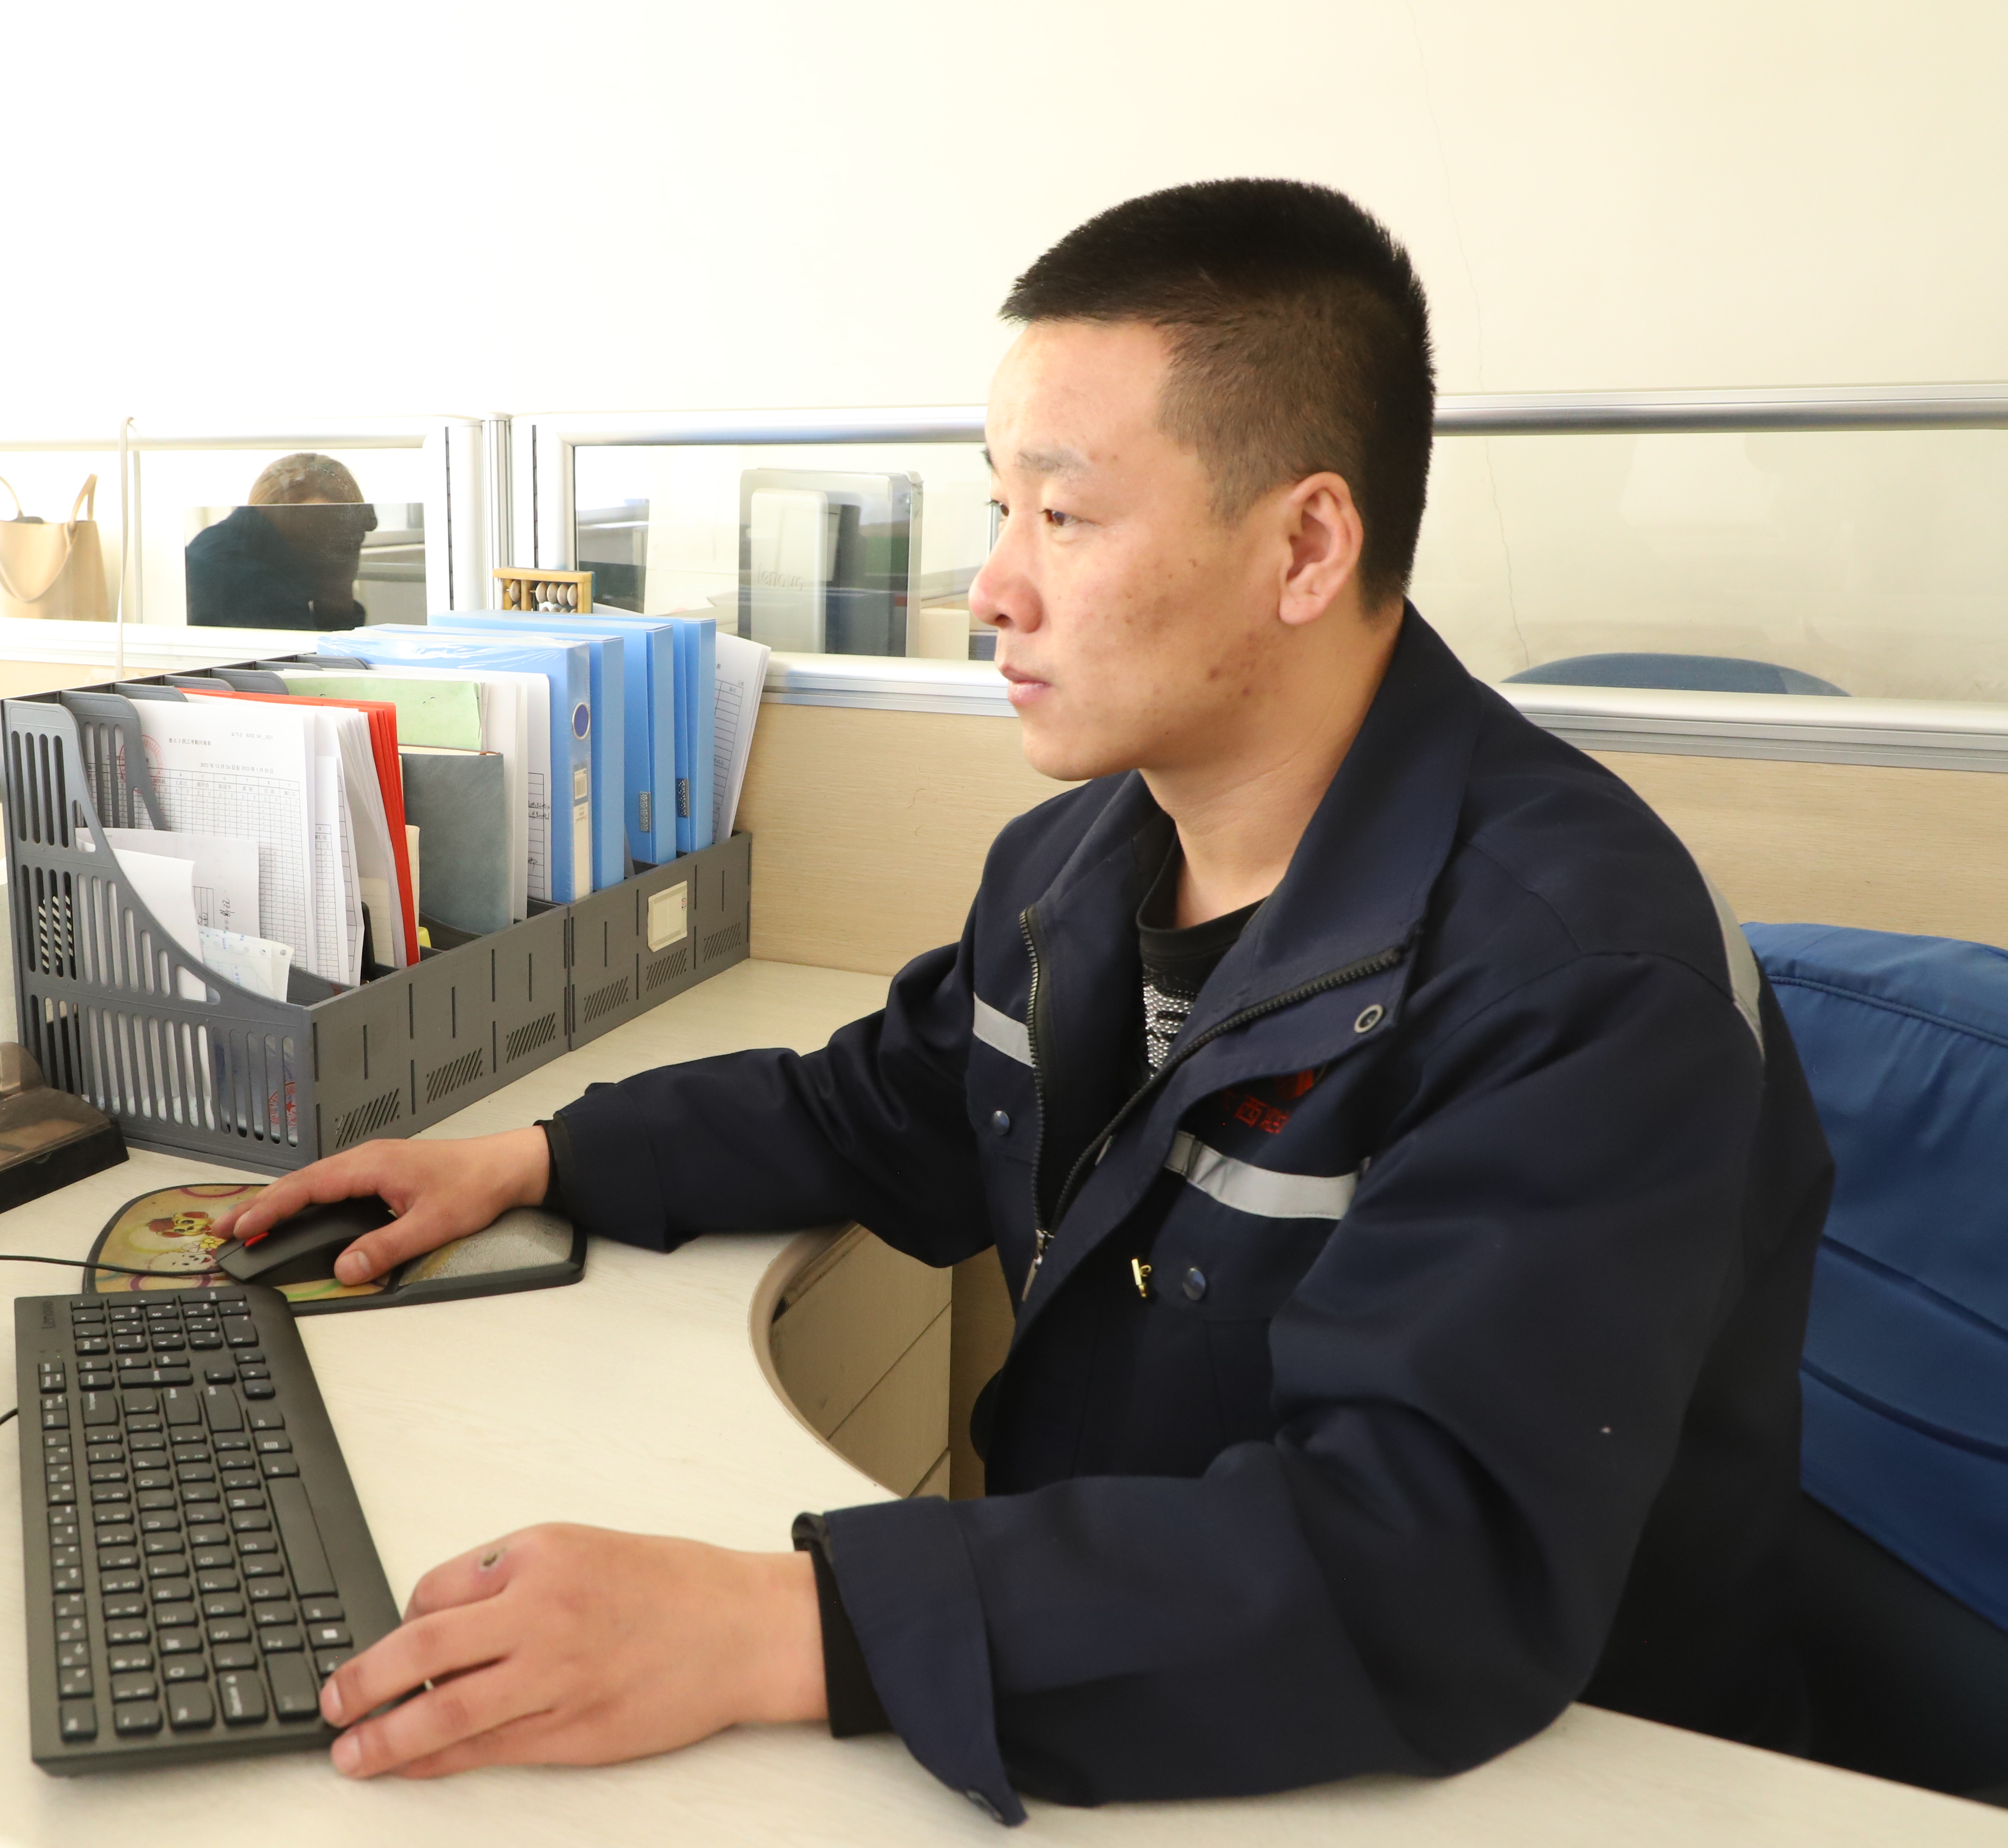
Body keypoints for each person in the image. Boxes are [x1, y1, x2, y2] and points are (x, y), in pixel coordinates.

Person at [228, 179, 1831, 1819]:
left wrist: (773, 1625)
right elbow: (887, 1109)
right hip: (1127, 1671)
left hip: (1529, 1783)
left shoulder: (1579, 983)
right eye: (998, 508)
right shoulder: (1076, 863)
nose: (992, 585)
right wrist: (535, 1161)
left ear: (1303, 547)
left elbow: (1415, 1563)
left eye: (1060, 516)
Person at [184, 451, 379, 628]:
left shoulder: (232, 542)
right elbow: (315, 653)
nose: (337, 545)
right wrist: (337, 591)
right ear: (281, 514)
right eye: (320, 526)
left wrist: (337, 596)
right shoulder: (250, 577)